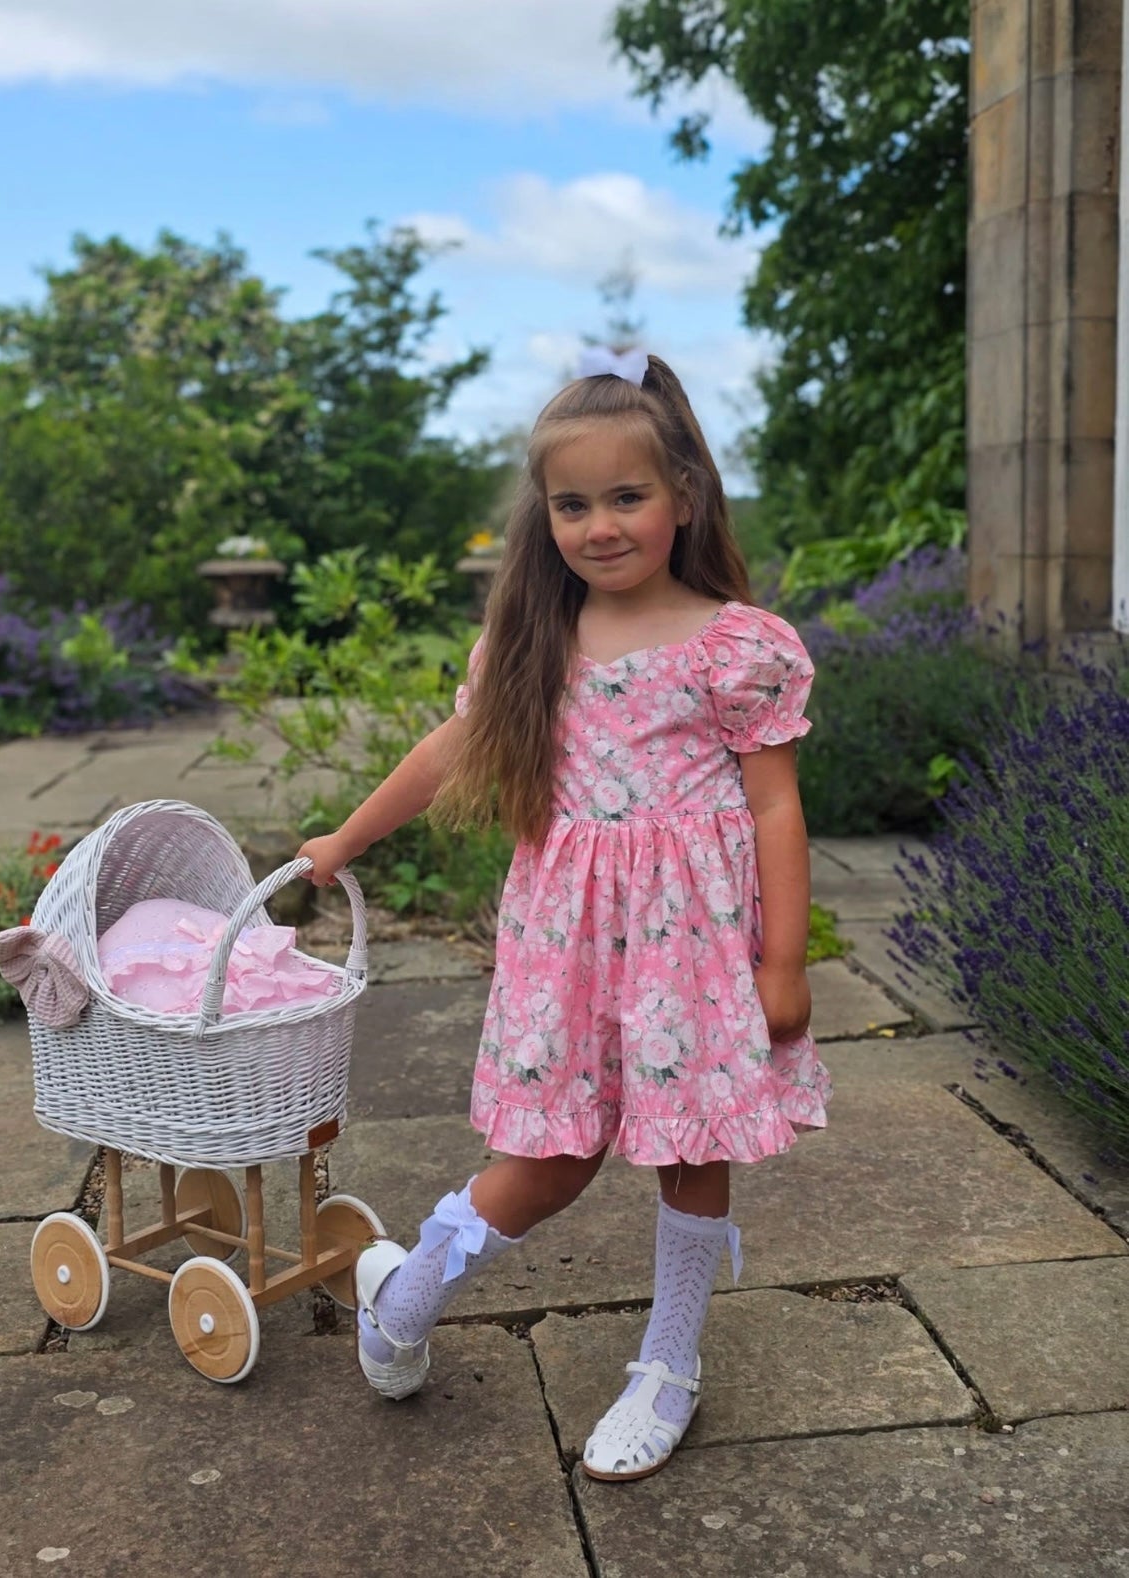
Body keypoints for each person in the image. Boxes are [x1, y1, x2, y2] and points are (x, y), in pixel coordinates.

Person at [298, 348, 831, 1482]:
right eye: (572, 503)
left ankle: (669, 1364)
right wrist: (346, 840)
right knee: (547, 1160)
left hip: (694, 952)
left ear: (684, 495)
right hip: (568, 946)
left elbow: (776, 809)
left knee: (692, 1153)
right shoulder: (537, 644)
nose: (600, 525)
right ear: (544, 518)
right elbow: (451, 752)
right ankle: (407, 1294)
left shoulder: (738, 646)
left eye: (626, 496)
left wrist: (782, 965)